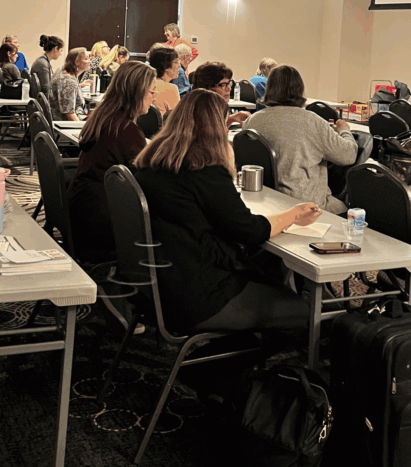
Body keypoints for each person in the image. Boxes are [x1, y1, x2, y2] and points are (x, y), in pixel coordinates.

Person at [127, 89, 323, 334]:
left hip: (156, 284)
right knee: (301, 312)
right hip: (196, 295)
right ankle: (216, 365)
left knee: (265, 264)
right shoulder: (203, 167)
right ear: (217, 126)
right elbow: (248, 230)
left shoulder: (154, 161)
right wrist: (292, 215)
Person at [66, 60, 159, 262]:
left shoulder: (104, 117)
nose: (154, 97)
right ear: (137, 92)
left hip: (82, 209)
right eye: (152, 92)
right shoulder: (126, 130)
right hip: (102, 221)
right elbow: (146, 181)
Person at [237, 64, 361, 210]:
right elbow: (349, 155)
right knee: (349, 209)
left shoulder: (252, 120)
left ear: (269, 89)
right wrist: (344, 130)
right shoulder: (312, 121)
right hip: (306, 204)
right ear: (299, 89)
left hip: (265, 198)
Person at [145, 47, 183, 115]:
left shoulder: (145, 84)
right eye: (176, 62)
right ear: (166, 66)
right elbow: (177, 118)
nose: (179, 66)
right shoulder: (171, 88)